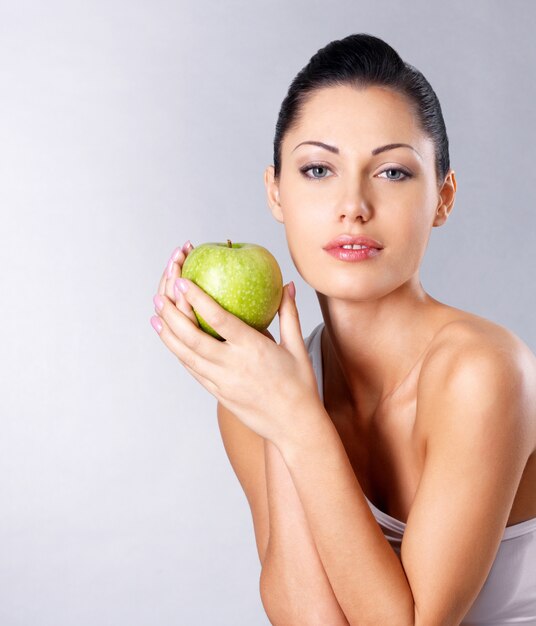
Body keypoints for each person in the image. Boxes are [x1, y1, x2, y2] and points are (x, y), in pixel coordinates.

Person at [151, 33, 536, 625]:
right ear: (276, 191)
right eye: (317, 168)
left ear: (443, 197)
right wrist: (282, 414)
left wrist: (298, 424)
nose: (352, 204)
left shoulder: (484, 372)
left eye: (391, 171)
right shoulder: (259, 397)